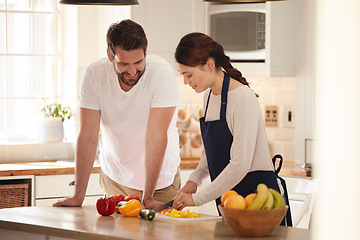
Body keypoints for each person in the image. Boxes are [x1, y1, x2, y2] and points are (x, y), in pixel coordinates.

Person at [53, 19, 181, 209]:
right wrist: (78, 196)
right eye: (123, 64)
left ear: (146, 51)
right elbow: (88, 137)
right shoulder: (95, 75)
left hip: (160, 185)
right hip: (115, 181)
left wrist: (147, 197)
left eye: (138, 62)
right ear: (110, 55)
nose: (131, 71)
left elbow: (156, 137)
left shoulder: (161, 73)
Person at [173, 32, 283, 212]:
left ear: (209, 65)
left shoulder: (242, 98)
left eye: (189, 74)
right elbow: (210, 151)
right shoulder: (209, 96)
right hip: (228, 198)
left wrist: (197, 199)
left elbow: (240, 165)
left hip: (257, 198)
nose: (185, 82)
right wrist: (194, 179)